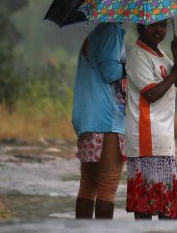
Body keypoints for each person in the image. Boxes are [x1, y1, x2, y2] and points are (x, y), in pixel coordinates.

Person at [124, 19, 177, 220]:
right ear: (141, 27)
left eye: (163, 25)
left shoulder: (160, 52)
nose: (159, 30)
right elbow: (151, 94)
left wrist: (176, 55)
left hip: (162, 136)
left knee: (167, 205)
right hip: (147, 137)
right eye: (154, 25)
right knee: (146, 205)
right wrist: (175, 73)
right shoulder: (138, 56)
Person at [71, 22, 127, 219]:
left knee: (88, 184)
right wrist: (131, 65)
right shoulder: (111, 31)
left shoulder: (97, 32)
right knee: (108, 184)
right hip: (107, 117)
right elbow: (110, 72)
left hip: (89, 116)